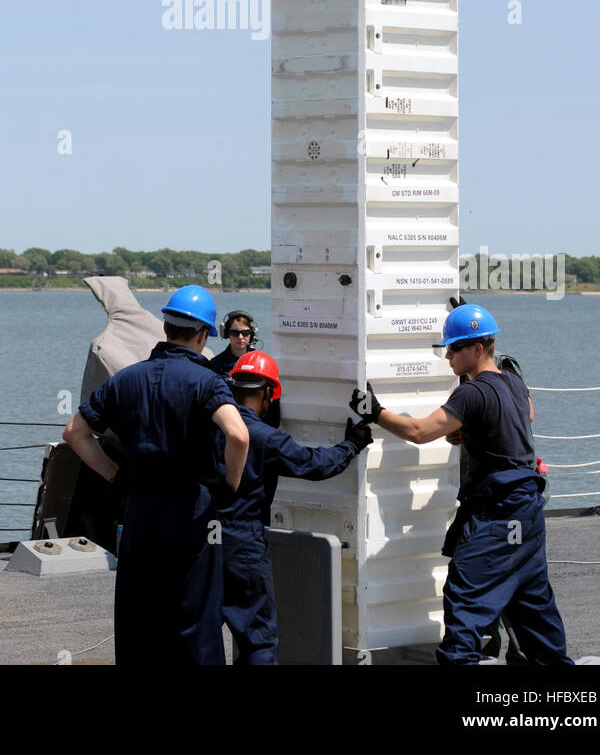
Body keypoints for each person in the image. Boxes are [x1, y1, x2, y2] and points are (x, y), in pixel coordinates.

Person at [361, 303, 572, 666]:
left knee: (465, 597)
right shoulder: (514, 382)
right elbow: (527, 414)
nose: (448, 356)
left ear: (477, 348)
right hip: (528, 513)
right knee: (531, 605)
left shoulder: (471, 394)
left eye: (454, 347)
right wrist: (474, 428)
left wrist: (374, 411)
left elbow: (419, 432)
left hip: (498, 513)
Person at [64, 284, 249, 666]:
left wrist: (115, 476)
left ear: (166, 328)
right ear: (203, 334)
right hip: (192, 513)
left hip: (140, 510)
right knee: (196, 620)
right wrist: (230, 484)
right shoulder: (207, 382)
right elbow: (238, 434)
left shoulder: (126, 380)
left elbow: (74, 433)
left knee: (138, 618)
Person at [218, 349, 371, 665]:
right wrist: (352, 445)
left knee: (202, 632)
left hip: (202, 540)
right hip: (243, 545)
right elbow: (313, 464)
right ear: (269, 395)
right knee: (257, 638)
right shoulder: (264, 437)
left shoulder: (209, 427)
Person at [210, 310, 280, 427]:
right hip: (228, 424)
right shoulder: (215, 365)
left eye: (245, 333)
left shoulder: (262, 363)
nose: (240, 337)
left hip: (257, 424)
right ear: (226, 333)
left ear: (252, 334)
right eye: (235, 333)